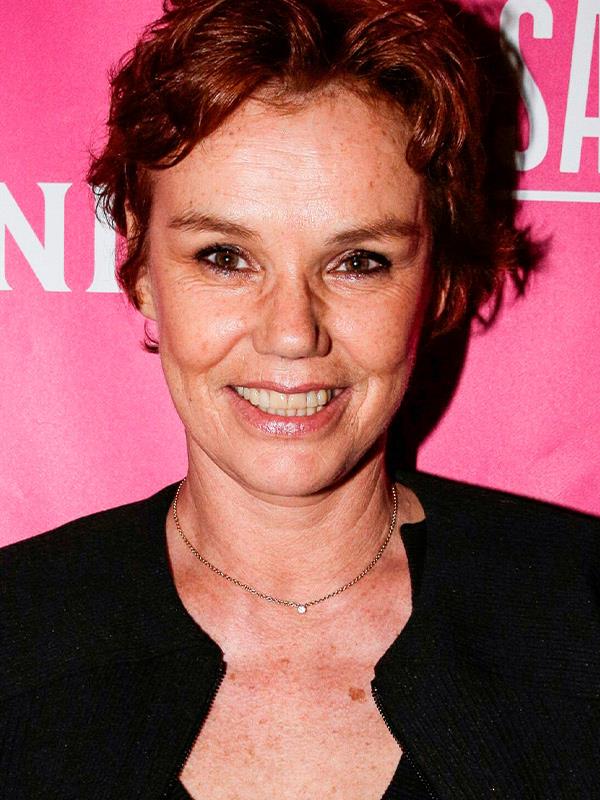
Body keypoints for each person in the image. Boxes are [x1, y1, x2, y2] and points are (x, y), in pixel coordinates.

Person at [2, 0, 599, 797]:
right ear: (141, 266)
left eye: (359, 261)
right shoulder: (18, 630)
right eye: (224, 256)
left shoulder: (580, 611)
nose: (292, 334)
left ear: (438, 282)